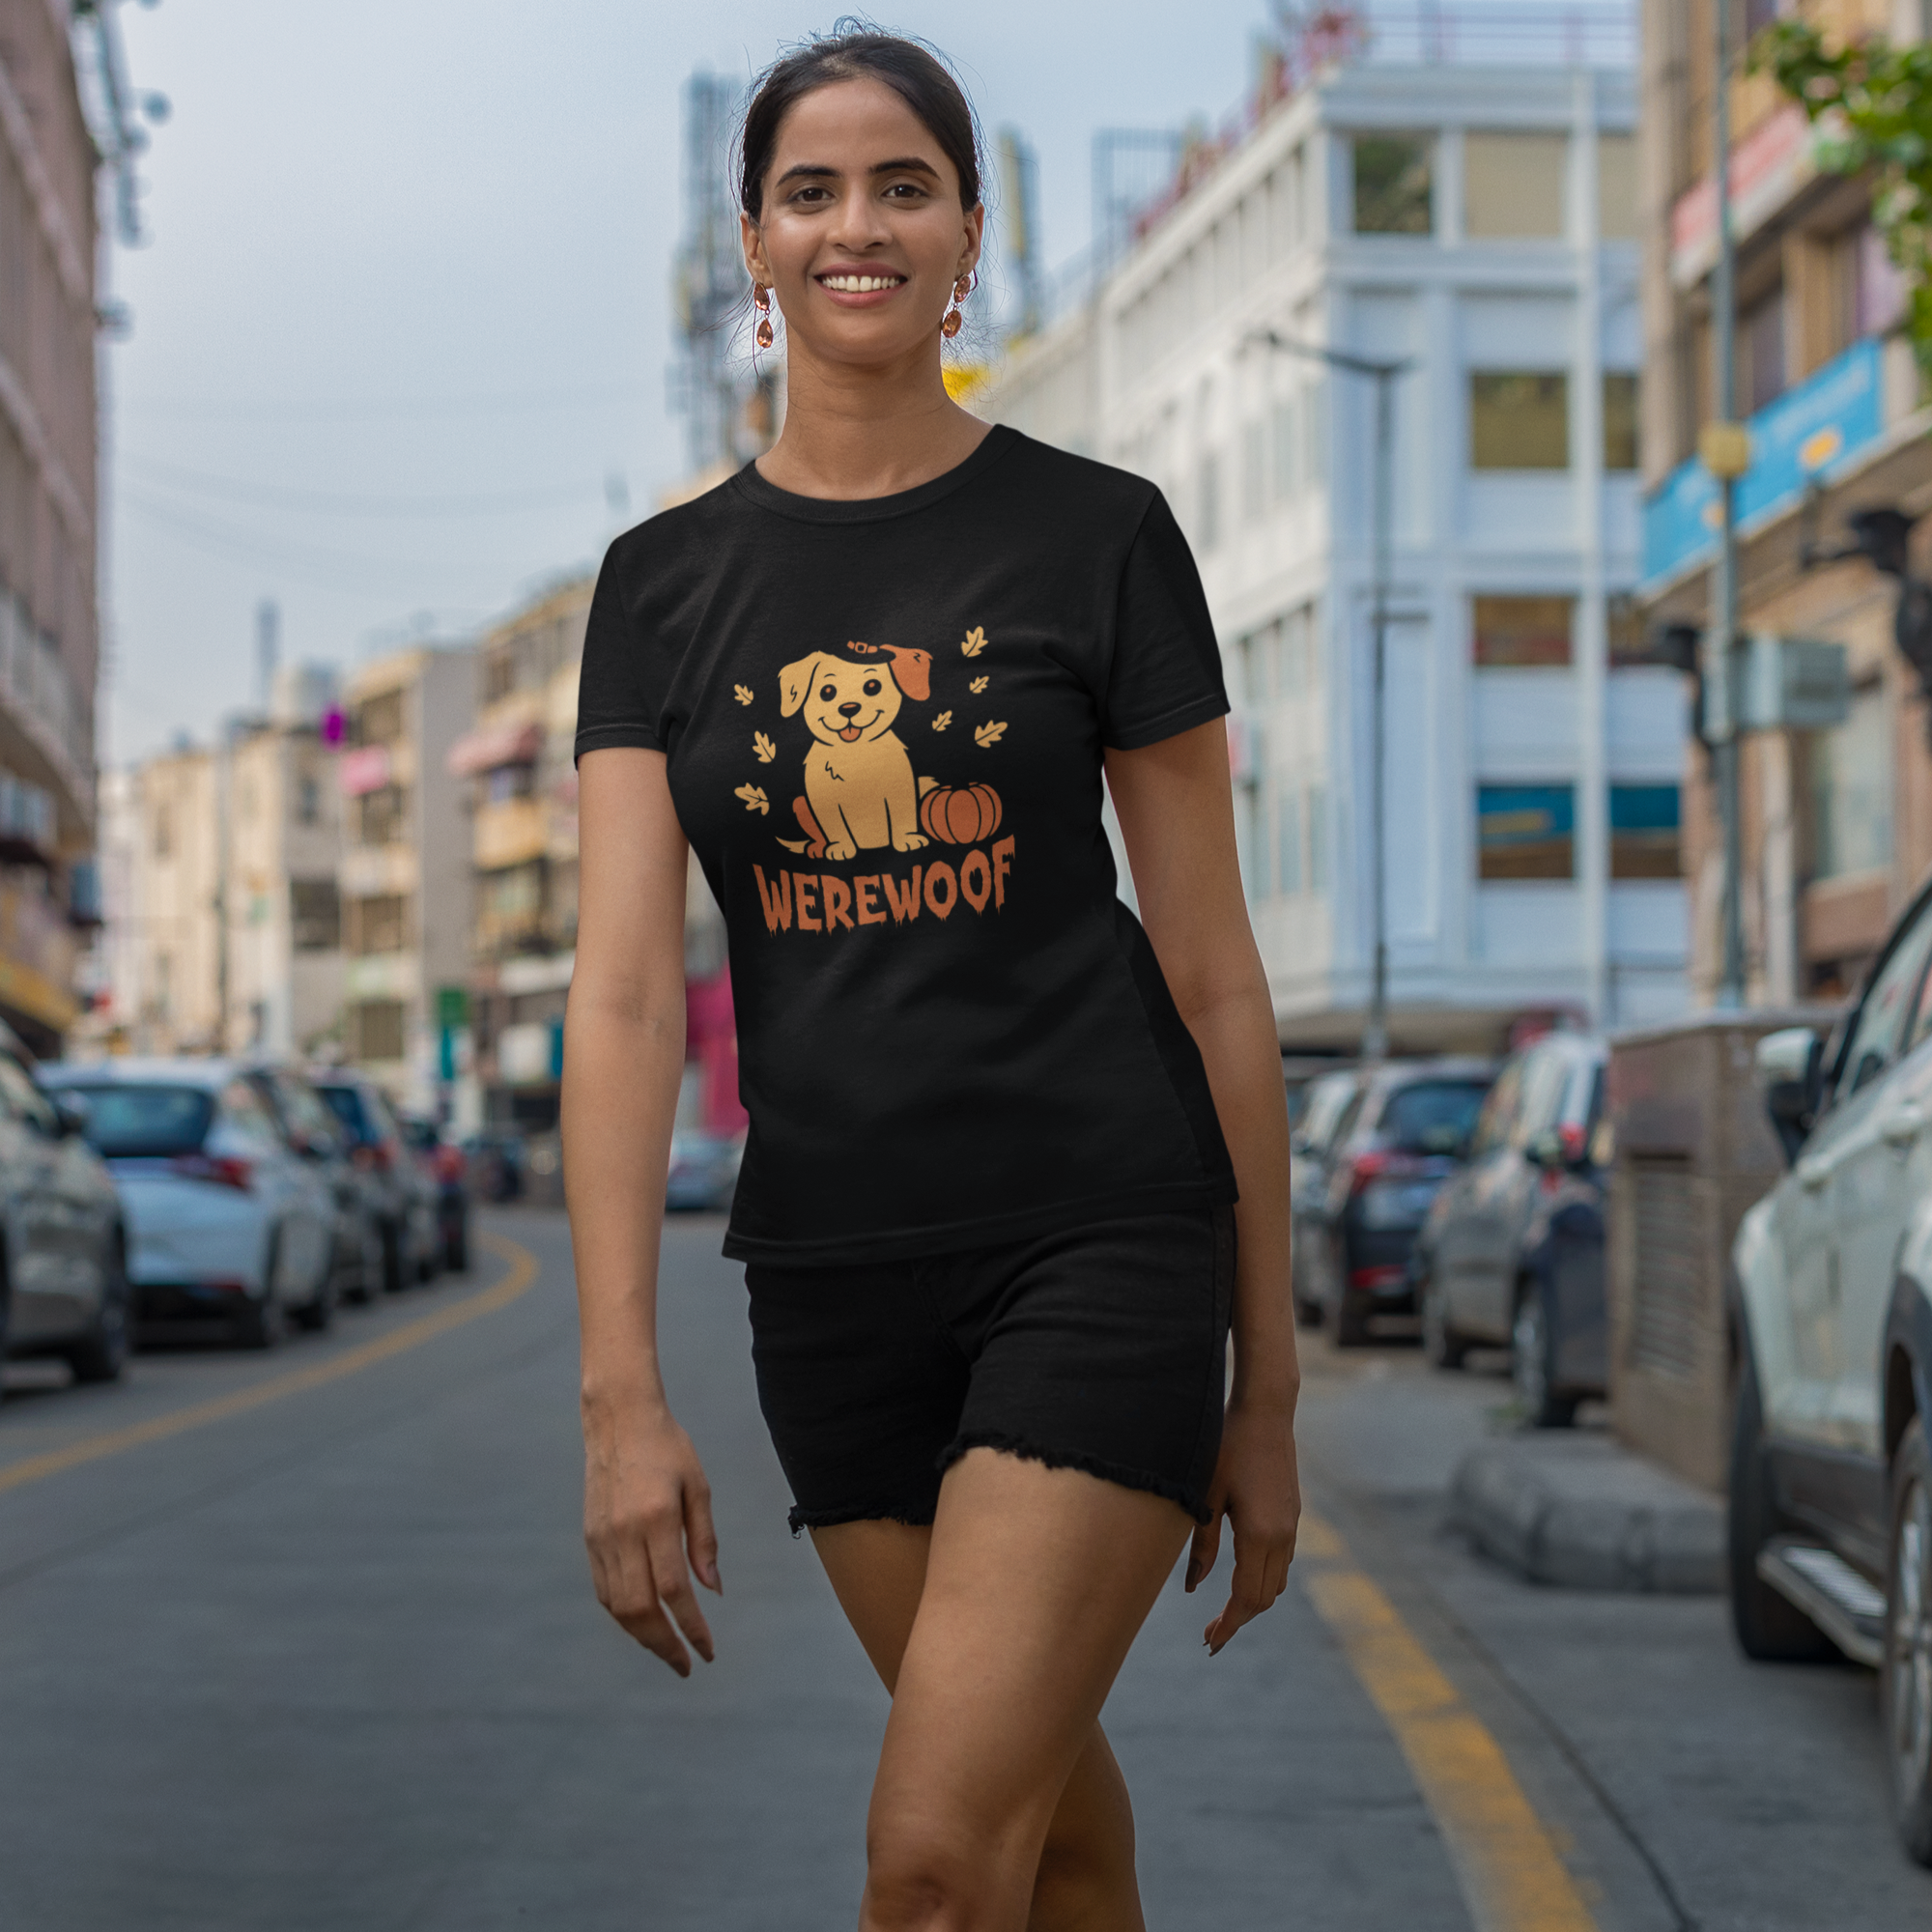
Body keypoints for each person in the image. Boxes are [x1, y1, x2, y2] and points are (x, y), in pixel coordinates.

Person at [563, 27, 1300, 1929]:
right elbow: (631, 1000)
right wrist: (620, 1399)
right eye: (811, 190)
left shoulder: (1101, 537)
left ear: (970, 233)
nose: (857, 225)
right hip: (830, 1290)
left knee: (928, 1861)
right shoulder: (657, 589)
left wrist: (1270, 1393)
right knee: (1044, 1840)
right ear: (752, 243)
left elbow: (1216, 979)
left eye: (905, 184)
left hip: (1100, 1240)